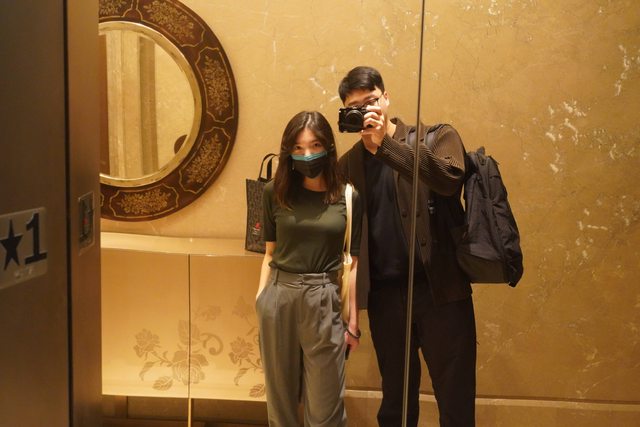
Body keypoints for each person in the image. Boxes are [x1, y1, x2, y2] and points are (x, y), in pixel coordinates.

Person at [337, 66, 477, 427]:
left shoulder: (438, 136)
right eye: (355, 107)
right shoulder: (350, 164)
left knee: (456, 399)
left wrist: (385, 146)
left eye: (371, 101)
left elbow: (449, 179)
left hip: (441, 291)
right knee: (396, 405)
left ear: (386, 98)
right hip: (386, 300)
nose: (366, 111)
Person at [255, 111, 362, 427]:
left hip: (324, 296)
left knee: (326, 410)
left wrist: (353, 322)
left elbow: (353, 261)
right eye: (298, 148)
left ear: (328, 147)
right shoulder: (274, 192)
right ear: (288, 151)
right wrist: (260, 299)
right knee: (280, 404)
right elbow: (269, 252)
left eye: (315, 145)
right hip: (279, 295)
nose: (307, 155)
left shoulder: (348, 196)